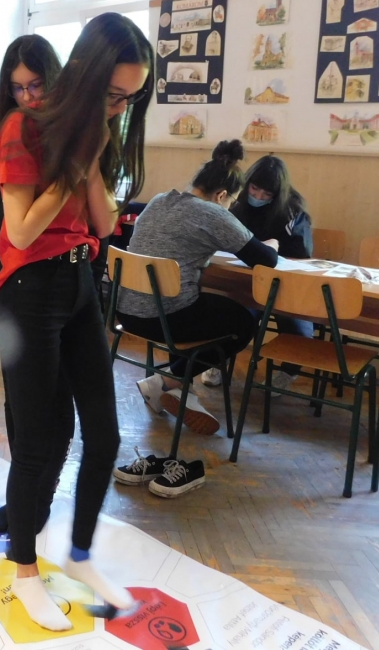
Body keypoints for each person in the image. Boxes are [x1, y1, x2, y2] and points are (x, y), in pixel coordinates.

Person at [0, 13, 151, 630]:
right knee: (36, 442)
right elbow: (21, 230)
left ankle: (80, 555)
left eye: (130, 98)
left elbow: (105, 224)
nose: (120, 108)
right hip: (30, 288)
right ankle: (24, 571)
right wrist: (74, 166)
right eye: (113, 95)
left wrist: (92, 157)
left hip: (81, 281)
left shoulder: (95, 132)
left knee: (105, 435)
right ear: (85, 77)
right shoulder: (22, 126)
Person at [113, 140, 279, 487]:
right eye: (231, 202)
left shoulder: (159, 200)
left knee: (211, 310)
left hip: (127, 314)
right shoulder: (212, 213)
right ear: (222, 195)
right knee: (243, 322)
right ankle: (169, 382)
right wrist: (272, 244)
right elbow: (264, 259)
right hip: (168, 317)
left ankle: (170, 385)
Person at [0, 35, 66, 536]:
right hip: (17, 284)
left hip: (68, 286)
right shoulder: (9, 133)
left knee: (58, 406)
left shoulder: (71, 133)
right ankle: (24, 501)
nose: (29, 97)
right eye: (17, 88)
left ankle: (40, 499)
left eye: (37, 85)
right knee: (24, 405)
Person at [223, 155, 314, 390]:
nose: (258, 196)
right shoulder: (237, 203)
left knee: (295, 323)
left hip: (282, 283)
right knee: (234, 314)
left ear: (277, 194)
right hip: (245, 281)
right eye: (254, 189)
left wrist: (268, 250)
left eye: (266, 194)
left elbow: (302, 254)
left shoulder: (292, 211)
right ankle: (218, 360)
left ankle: (289, 371)